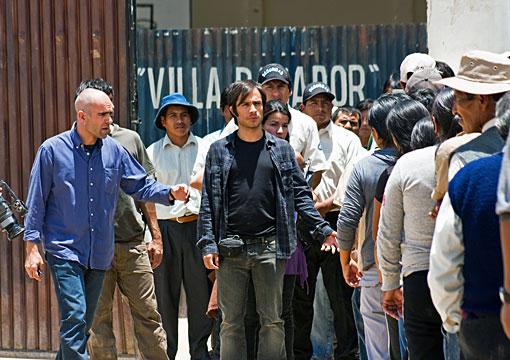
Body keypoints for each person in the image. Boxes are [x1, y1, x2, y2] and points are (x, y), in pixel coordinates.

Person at [23, 87, 189, 360]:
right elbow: (36, 201)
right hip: (65, 250)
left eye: (110, 114)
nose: (109, 120)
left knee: (81, 325)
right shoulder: (52, 150)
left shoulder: (115, 150)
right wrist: (32, 248)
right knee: (76, 318)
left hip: (100, 252)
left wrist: (169, 193)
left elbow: (141, 185)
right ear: (82, 116)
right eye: (102, 114)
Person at [197, 80, 338, 360]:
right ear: (233, 111)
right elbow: (208, 202)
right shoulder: (219, 150)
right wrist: (208, 244)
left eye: (257, 104)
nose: (253, 110)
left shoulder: (281, 150)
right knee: (231, 323)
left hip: (271, 248)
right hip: (230, 248)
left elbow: (300, 195)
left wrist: (323, 230)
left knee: (272, 322)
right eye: (246, 104)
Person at [73, 79, 168, 360]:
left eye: (107, 107)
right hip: (92, 250)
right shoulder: (69, 146)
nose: (105, 115)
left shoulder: (130, 140)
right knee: (97, 324)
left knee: (148, 317)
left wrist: (156, 236)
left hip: (131, 244)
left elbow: (145, 190)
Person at [429, 93, 510, 360]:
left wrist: (456, 320)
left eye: (461, 99)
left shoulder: (469, 175)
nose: (455, 109)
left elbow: (445, 262)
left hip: (484, 327)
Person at [294, 82, 363, 360]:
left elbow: (352, 182)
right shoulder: (293, 133)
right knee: (300, 297)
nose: (321, 107)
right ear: (303, 107)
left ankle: (348, 353)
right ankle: (301, 354)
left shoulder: (348, 140)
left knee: (341, 296)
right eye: (314, 102)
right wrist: (309, 211)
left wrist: (326, 205)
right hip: (301, 224)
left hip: (336, 222)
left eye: (326, 102)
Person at [377, 99, 444, 360]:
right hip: (462, 272)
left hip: (418, 277)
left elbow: (388, 232)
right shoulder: (467, 155)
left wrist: (390, 284)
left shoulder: (406, 165)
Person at [147, 93, 212, 360]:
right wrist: (154, 236)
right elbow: (146, 197)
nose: (179, 120)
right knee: (165, 298)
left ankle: (200, 353)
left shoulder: (206, 148)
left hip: (197, 227)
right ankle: (168, 354)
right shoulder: (152, 152)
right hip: (166, 229)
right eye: (172, 115)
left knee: (201, 297)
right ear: (163, 121)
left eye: (184, 115)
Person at [337, 93, 399, 359]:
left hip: (373, 269)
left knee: (376, 346)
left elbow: (347, 220)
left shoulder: (364, 167)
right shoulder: (417, 160)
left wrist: (345, 262)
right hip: (413, 269)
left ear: (373, 131)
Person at [258, 63, 328, 189]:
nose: (275, 94)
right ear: (259, 91)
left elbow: (316, 168)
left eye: (280, 87)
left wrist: (302, 196)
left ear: (290, 91)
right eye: (269, 87)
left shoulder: (305, 123)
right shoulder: (248, 119)